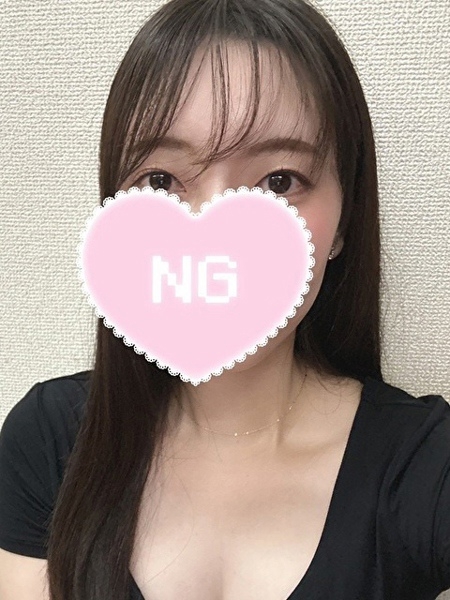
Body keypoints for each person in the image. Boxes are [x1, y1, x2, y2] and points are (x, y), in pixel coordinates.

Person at [0, 0, 449, 599]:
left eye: (279, 181)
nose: (212, 231)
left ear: (343, 222)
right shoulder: (49, 440)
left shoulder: (424, 464)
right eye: (160, 180)